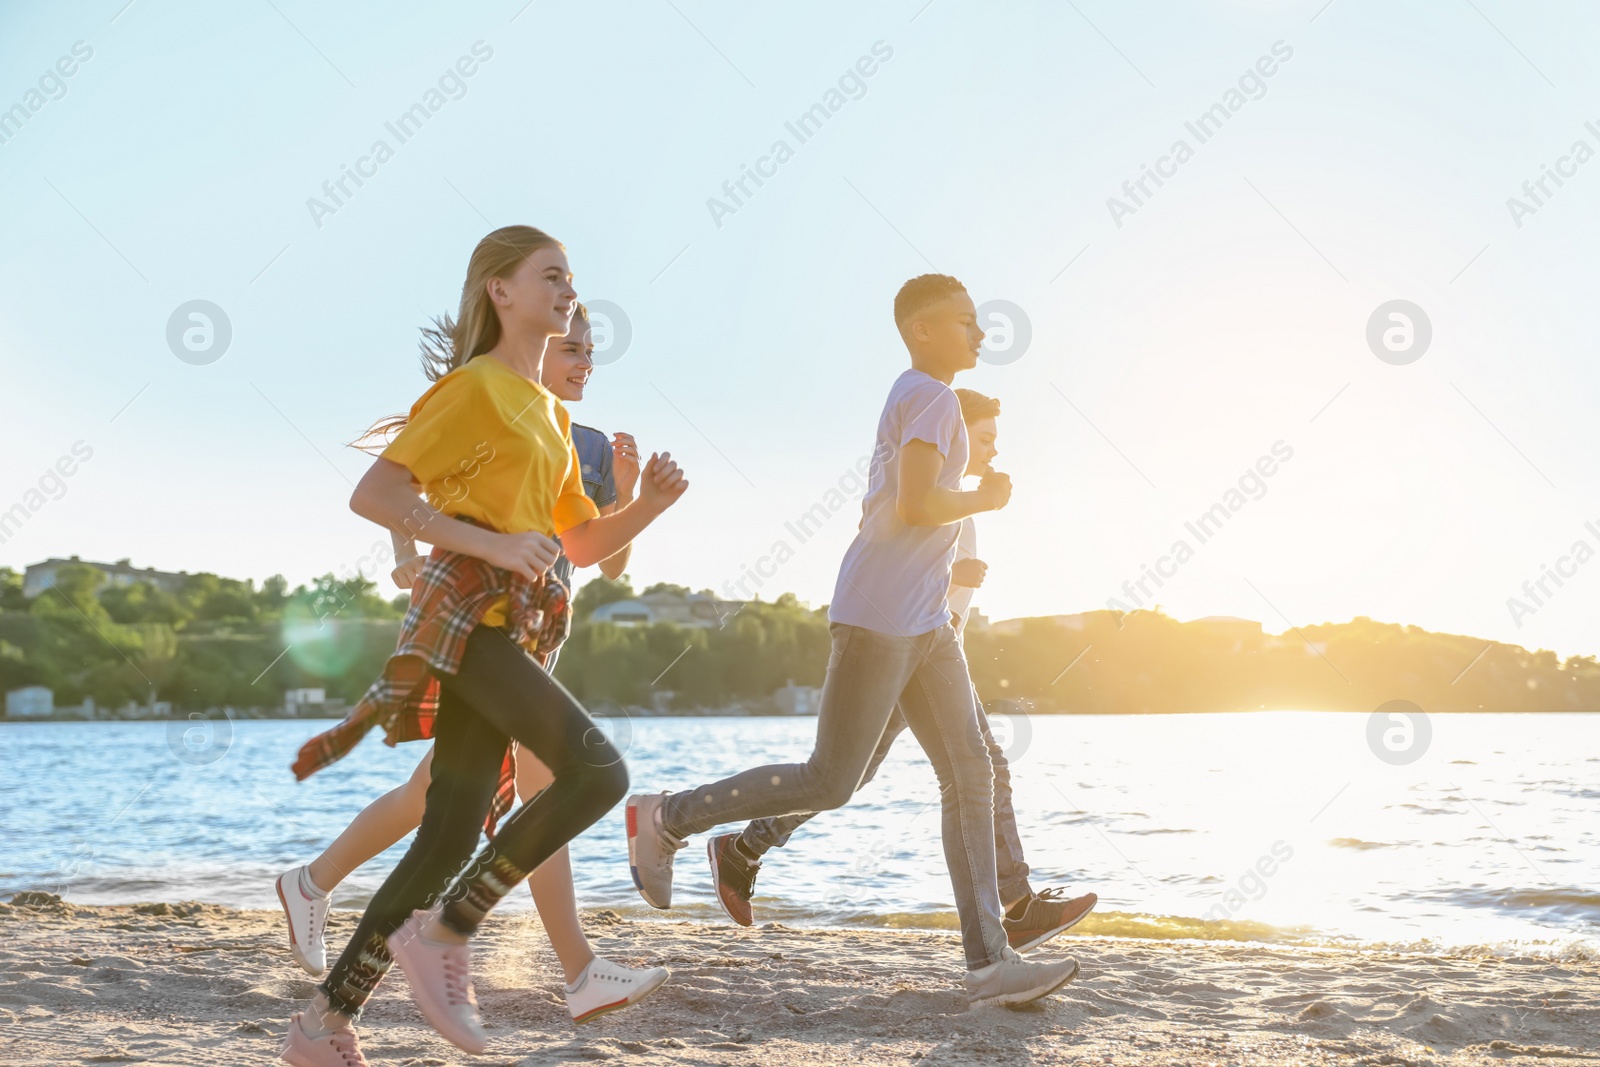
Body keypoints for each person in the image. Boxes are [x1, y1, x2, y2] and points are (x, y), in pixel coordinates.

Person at [279, 226, 689, 1067]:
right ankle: (449, 929)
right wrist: (496, 546)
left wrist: (647, 505)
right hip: (468, 619)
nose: (568, 288)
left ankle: (320, 1028)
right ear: (500, 291)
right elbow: (377, 491)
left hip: (518, 631)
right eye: (551, 275)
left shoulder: (544, 410)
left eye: (572, 277)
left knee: (448, 830)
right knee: (599, 771)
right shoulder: (475, 389)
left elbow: (577, 542)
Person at [625, 274, 1080, 1008]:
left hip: (924, 622)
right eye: (969, 322)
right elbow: (918, 503)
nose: (981, 335)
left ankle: (990, 962)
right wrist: (984, 498)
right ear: (924, 329)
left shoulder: (919, 393)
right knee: (833, 777)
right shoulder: (929, 394)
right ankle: (667, 816)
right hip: (881, 616)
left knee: (971, 771)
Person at [704, 389, 1098, 952]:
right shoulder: (934, 500)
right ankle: (1016, 908)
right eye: (982, 438)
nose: (989, 451)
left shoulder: (962, 508)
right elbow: (889, 558)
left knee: (865, 777)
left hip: (934, 658)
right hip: (900, 652)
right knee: (877, 776)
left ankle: (742, 850)